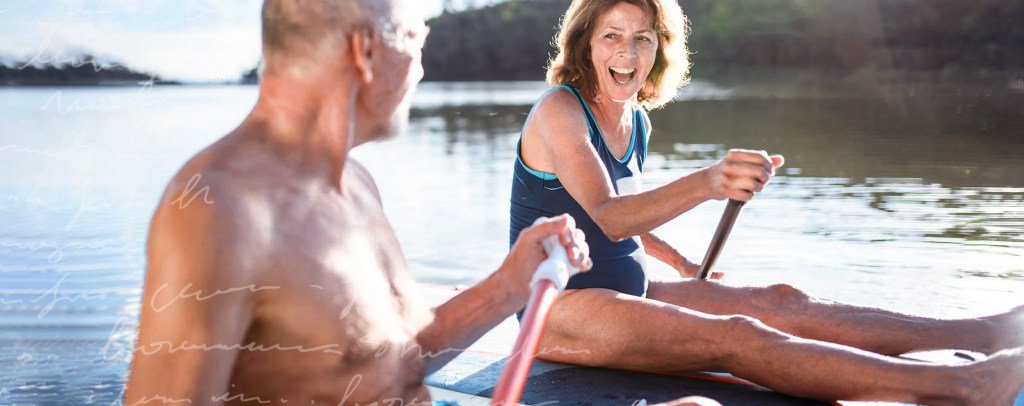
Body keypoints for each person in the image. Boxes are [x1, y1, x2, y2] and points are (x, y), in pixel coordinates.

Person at [124, 1, 723, 405]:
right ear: (364, 52)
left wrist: (508, 284)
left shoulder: (353, 184)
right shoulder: (215, 210)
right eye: (414, 36)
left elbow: (397, 356)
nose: (421, 62)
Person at [510, 0, 1024, 404]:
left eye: (642, 39)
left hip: (632, 289)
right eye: (612, 37)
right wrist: (709, 181)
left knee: (782, 301)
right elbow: (608, 218)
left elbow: (603, 213)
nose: (627, 54)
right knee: (739, 336)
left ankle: (987, 332)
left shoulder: (633, 119)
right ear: (585, 44)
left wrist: (681, 262)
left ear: (658, 50)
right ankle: (964, 390)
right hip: (558, 310)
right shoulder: (561, 109)